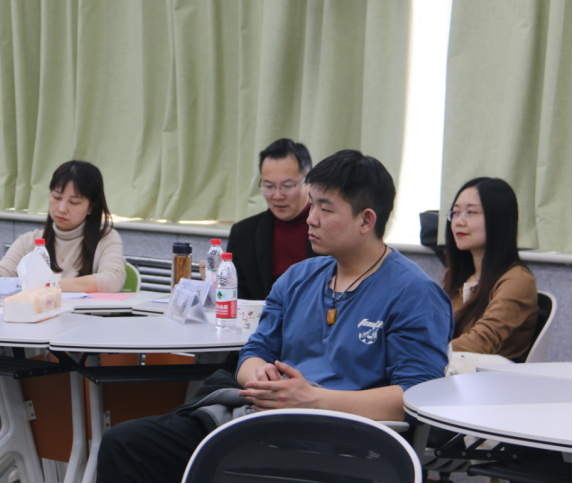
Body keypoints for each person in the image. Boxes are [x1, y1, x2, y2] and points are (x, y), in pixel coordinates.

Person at [97, 150, 454, 483]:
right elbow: (255, 351)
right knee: (125, 443)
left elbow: (415, 395)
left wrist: (313, 400)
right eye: (312, 205)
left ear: (366, 220)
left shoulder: (414, 294)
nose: (310, 219)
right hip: (264, 420)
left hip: (343, 441)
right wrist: (263, 379)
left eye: (325, 209)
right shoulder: (298, 278)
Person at [0, 161, 126, 293]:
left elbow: (112, 280)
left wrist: (47, 285)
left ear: (91, 207)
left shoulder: (105, 238)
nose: (62, 209)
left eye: (74, 202)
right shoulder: (29, 241)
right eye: (57, 197)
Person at [444, 177, 538, 361]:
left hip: (488, 376)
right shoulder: (457, 276)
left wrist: (420, 350)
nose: (458, 222)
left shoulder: (518, 280)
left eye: (470, 212)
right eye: (455, 213)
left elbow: (481, 343)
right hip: (449, 370)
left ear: (498, 219)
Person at [218, 139, 316, 300]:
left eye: (287, 186)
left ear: (309, 182)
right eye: (269, 186)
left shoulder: (328, 229)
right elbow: (237, 296)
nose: (277, 196)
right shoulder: (243, 233)